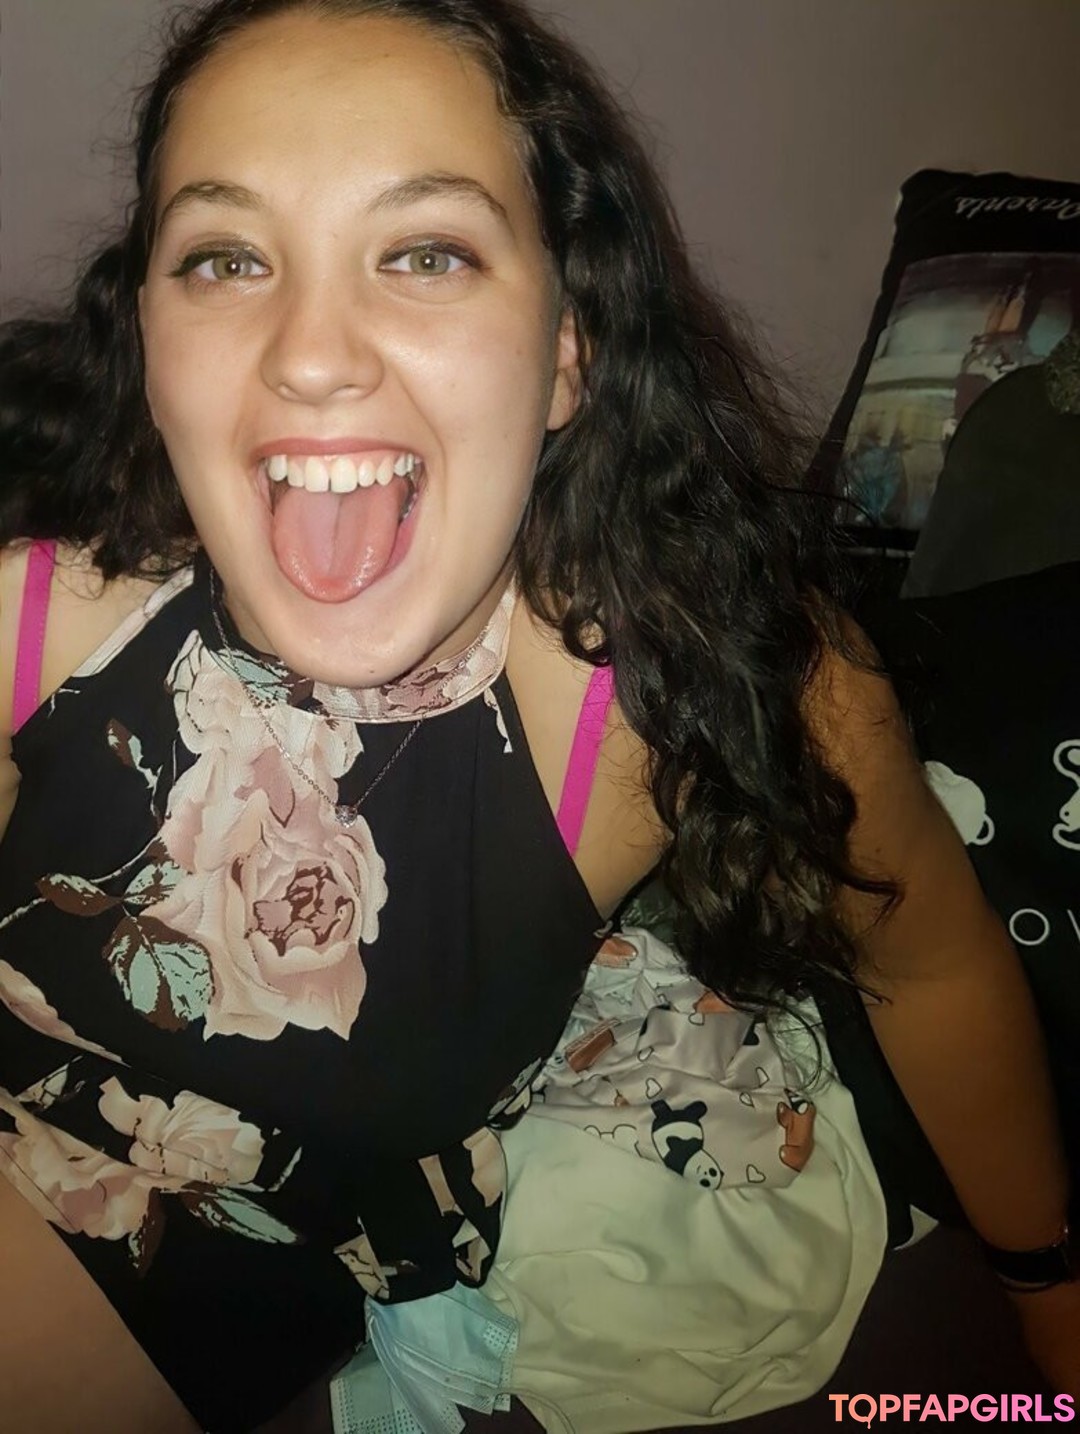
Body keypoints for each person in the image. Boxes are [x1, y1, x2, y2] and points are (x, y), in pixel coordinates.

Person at [0, 2, 1075, 1430]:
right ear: (147, 334)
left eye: (426, 253)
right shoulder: (37, 621)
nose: (311, 353)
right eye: (227, 257)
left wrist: (1051, 1297)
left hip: (201, 1246)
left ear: (569, 348)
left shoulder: (677, 686)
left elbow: (932, 964)